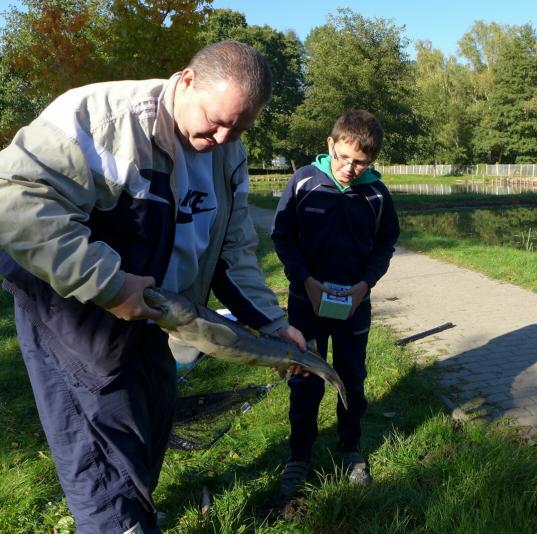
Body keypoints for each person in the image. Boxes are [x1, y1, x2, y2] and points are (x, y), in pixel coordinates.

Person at [0, 41, 305, 534]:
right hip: (75, 314)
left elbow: (232, 250)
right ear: (186, 80)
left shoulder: (228, 154)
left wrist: (272, 325)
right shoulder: (100, 118)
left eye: (239, 128)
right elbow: (13, 199)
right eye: (215, 121)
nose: (223, 138)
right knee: (103, 460)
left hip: (156, 313)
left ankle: (133, 512)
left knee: (151, 424)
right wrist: (108, 284)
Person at [271, 109, 400, 497]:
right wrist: (305, 281)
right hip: (305, 302)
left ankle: (351, 450)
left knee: (352, 378)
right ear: (330, 145)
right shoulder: (304, 182)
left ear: (372, 160)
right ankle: (299, 456)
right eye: (343, 157)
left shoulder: (377, 195)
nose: (348, 168)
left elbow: (385, 245)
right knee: (304, 380)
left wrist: (364, 286)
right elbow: (282, 237)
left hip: (353, 306)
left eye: (360, 163)